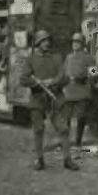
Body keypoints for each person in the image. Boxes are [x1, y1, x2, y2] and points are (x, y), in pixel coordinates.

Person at [19, 30, 64, 171]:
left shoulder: (55, 58)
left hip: (52, 99)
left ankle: (67, 158)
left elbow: (63, 76)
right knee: (38, 129)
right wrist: (37, 84)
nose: (47, 43)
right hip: (37, 98)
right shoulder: (31, 59)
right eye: (43, 41)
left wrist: (52, 82)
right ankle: (39, 159)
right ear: (38, 43)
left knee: (63, 129)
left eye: (48, 41)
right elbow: (23, 79)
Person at [58, 32, 98, 151]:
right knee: (66, 118)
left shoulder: (89, 58)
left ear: (82, 44)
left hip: (82, 91)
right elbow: (64, 73)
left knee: (81, 116)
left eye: (77, 42)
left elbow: (94, 75)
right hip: (69, 91)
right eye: (73, 42)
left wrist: (85, 78)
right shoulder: (68, 57)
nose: (75, 44)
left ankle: (78, 141)